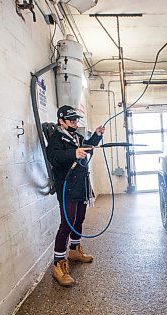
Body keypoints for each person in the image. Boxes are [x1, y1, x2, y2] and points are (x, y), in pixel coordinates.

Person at [46, 105, 105, 286]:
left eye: (76, 120)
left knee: (79, 219)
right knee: (66, 224)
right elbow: (53, 157)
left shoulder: (77, 137)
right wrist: (73, 153)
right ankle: (58, 264)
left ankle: (74, 250)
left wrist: (96, 136)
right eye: (71, 120)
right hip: (67, 188)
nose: (74, 122)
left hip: (81, 187)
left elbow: (86, 146)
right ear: (61, 121)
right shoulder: (56, 139)